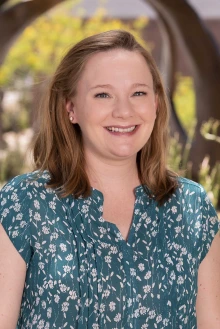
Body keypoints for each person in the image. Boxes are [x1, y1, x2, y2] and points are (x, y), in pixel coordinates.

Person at [0, 30, 219, 329]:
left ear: (156, 103)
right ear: (71, 108)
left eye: (138, 93)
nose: (124, 111)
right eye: (103, 94)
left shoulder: (193, 208)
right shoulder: (24, 203)